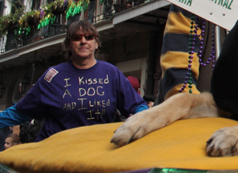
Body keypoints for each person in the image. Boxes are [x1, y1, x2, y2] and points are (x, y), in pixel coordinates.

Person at [0, 20, 148, 141]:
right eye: (77, 38)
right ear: (69, 45)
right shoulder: (53, 76)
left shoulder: (111, 73)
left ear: (96, 43)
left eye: (89, 37)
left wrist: (145, 120)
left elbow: (137, 106)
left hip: (95, 153)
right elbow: (21, 112)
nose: (83, 41)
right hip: (56, 155)